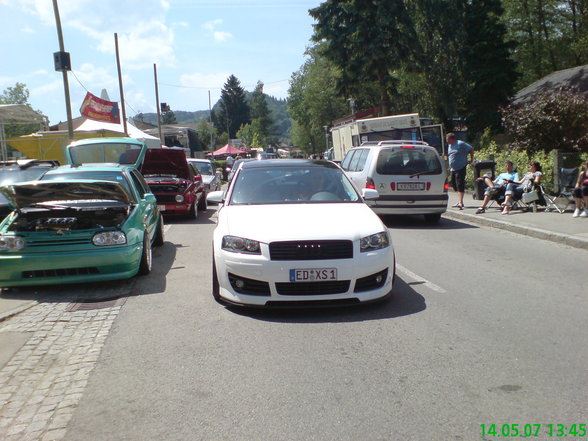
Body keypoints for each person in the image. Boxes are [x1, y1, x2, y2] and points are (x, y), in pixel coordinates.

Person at [446, 132, 474, 210]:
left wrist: (471, 160)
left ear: (452, 139)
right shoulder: (449, 145)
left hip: (460, 167)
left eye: (448, 140)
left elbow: (471, 149)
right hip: (453, 169)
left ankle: (460, 202)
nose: (447, 141)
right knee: (454, 185)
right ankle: (459, 201)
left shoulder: (460, 144)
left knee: (460, 184)